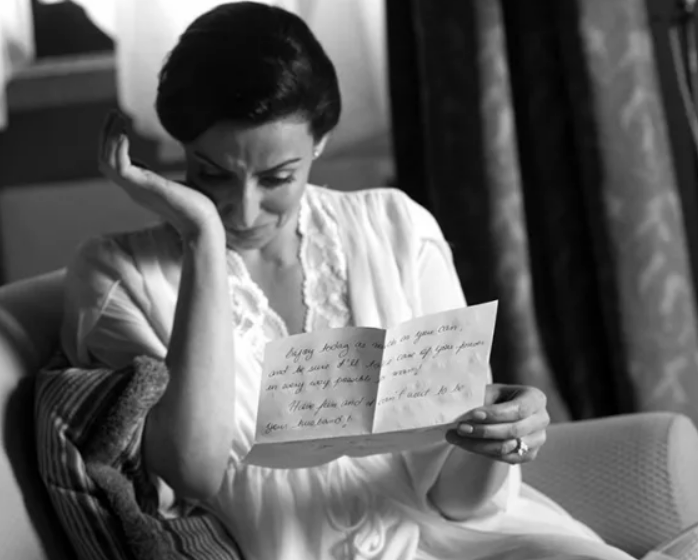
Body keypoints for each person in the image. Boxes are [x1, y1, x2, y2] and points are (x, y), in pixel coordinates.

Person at [59, 3, 639, 559]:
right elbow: (192, 472)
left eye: (277, 178)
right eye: (211, 174)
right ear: (183, 149)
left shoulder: (397, 229)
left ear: (320, 142)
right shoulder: (117, 276)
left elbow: (457, 502)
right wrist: (203, 241)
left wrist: (503, 438)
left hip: (459, 539)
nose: (244, 209)